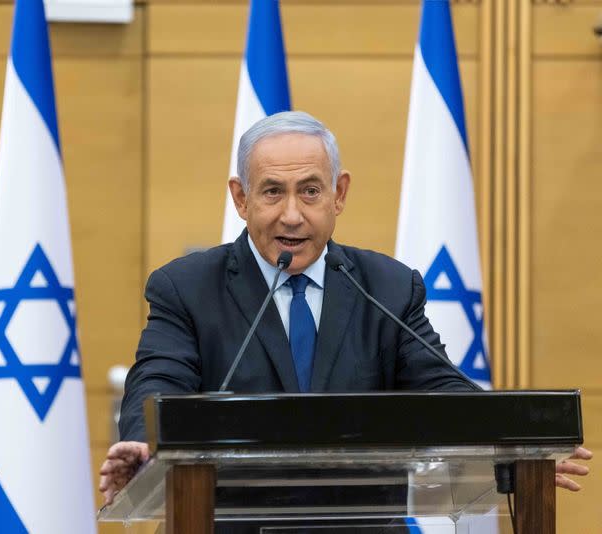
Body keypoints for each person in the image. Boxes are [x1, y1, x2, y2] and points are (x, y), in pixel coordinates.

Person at [99, 111, 591, 506]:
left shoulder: (388, 287)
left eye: (310, 191)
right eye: (272, 191)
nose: (292, 214)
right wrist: (144, 446)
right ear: (241, 198)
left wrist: (516, 444)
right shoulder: (186, 288)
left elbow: (443, 391)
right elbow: (159, 378)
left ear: (339, 194)